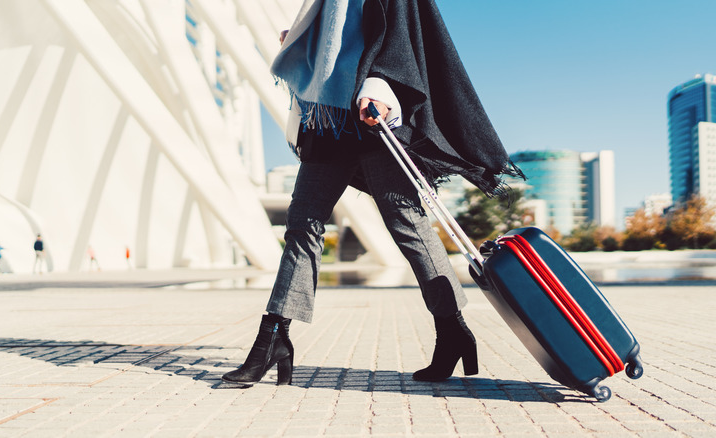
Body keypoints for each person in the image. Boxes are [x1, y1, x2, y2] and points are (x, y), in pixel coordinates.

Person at [222, 0, 524, 387]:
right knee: (302, 224)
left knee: (408, 226)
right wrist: (305, 43)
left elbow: (402, 37)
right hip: (328, 120)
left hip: (372, 116)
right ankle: (274, 337)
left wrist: (381, 86)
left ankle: (452, 330)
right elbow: (335, 39)